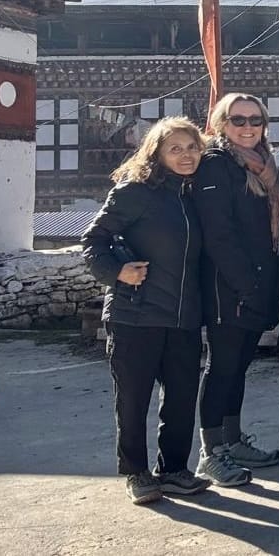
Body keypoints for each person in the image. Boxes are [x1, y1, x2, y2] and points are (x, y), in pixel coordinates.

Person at [82, 117, 211, 505]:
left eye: (192, 148)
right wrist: (116, 272)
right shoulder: (135, 192)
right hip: (135, 314)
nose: (186, 155)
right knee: (134, 400)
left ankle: (174, 470)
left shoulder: (196, 195)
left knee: (181, 398)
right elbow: (94, 240)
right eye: (176, 149)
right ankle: (137, 473)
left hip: (184, 315)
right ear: (156, 153)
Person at [193, 93, 279, 488]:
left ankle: (233, 440)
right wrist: (246, 285)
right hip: (227, 287)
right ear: (220, 124)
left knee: (240, 366)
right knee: (222, 367)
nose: (247, 127)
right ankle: (211, 452)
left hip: (257, 281)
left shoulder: (264, 166)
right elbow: (220, 236)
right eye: (238, 120)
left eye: (255, 121)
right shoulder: (216, 165)